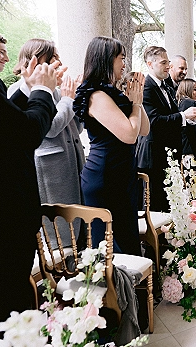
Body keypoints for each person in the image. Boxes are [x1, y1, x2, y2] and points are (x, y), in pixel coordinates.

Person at [0, 0, 59, 337]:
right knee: (6, 323)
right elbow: (24, 133)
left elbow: (1, 122)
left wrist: (28, 88)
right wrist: (43, 91)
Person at [73, 36, 150, 256]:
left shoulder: (113, 93)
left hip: (122, 175)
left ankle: (129, 289)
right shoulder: (96, 96)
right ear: (106, 60)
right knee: (110, 248)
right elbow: (129, 135)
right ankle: (115, 290)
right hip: (105, 177)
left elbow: (143, 129)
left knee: (127, 239)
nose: (124, 64)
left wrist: (138, 101)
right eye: (121, 58)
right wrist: (134, 104)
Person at [8, 39, 85, 248]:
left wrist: (75, 99)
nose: (59, 62)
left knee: (76, 229)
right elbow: (50, 129)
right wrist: (67, 101)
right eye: (53, 57)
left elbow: (75, 128)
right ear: (36, 59)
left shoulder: (55, 88)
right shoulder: (19, 91)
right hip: (51, 172)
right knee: (59, 235)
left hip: (72, 165)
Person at [135, 46, 196, 212]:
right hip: (153, 155)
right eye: (164, 62)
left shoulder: (166, 85)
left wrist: (189, 119)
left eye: (168, 62)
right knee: (155, 205)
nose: (168, 66)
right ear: (150, 64)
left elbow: (173, 115)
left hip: (168, 154)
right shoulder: (147, 86)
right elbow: (154, 121)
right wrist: (183, 116)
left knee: (168, 202)